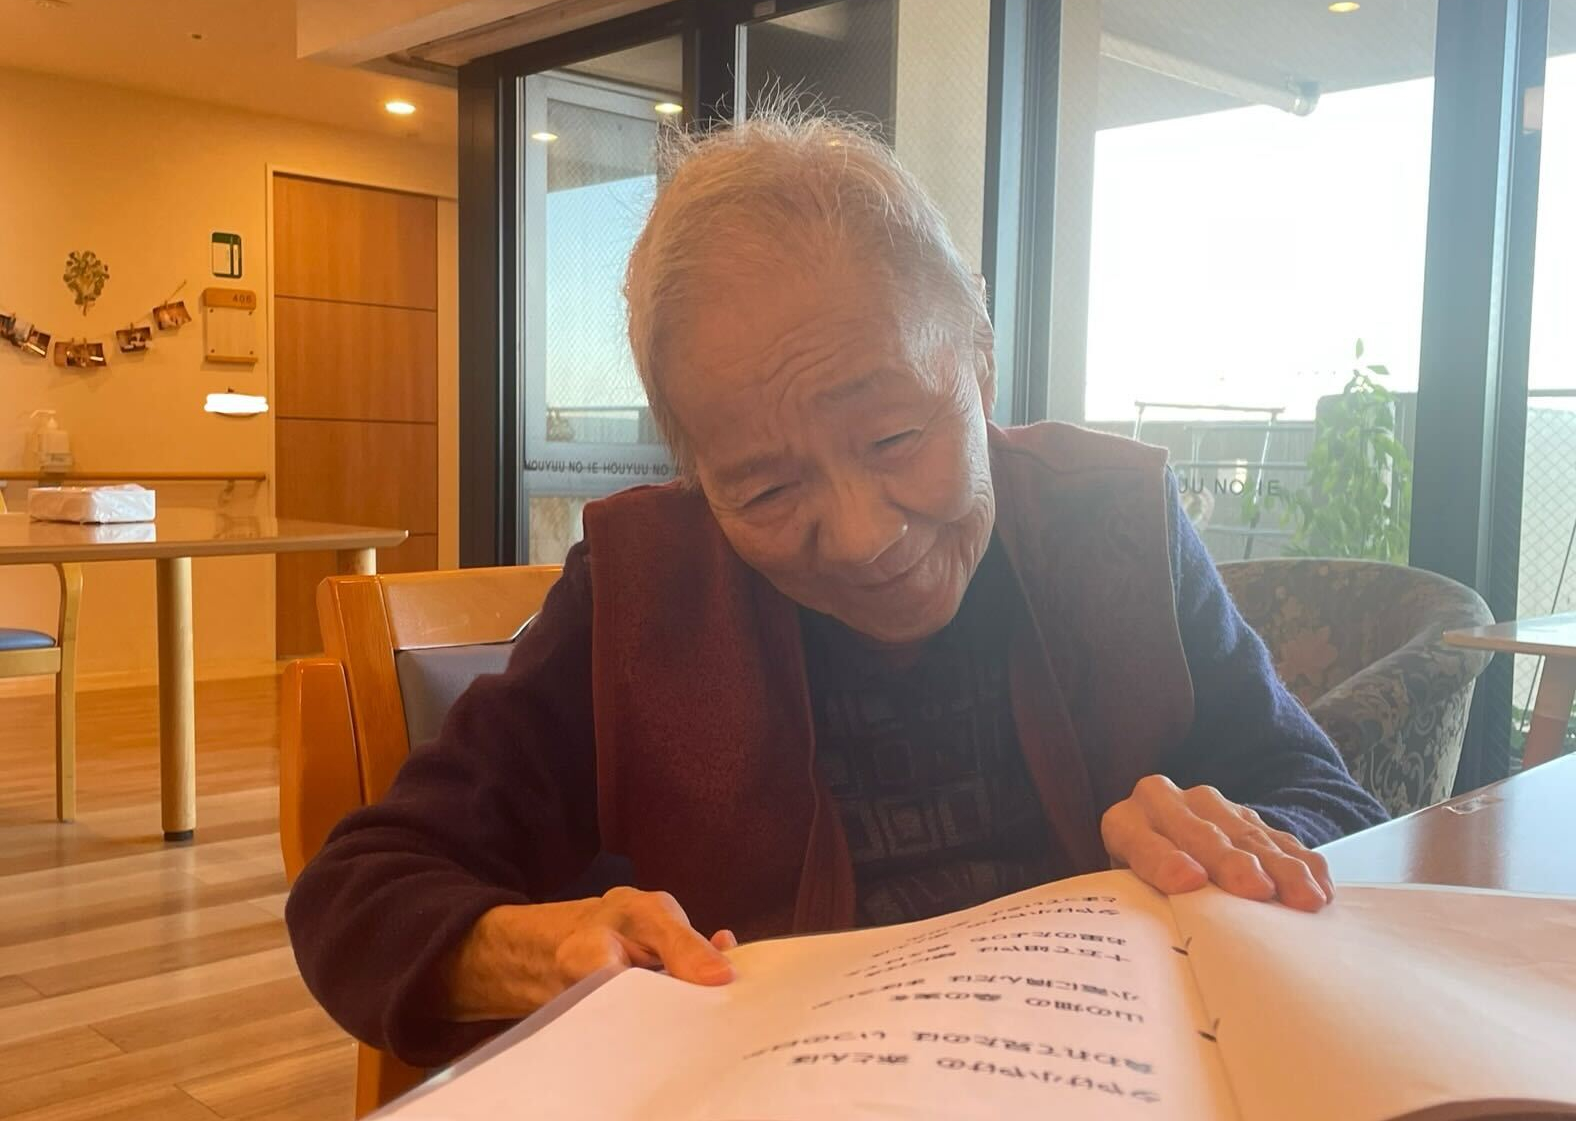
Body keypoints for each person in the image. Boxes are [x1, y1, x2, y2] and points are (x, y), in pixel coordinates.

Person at [287, 112, 1385, 1068]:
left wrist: (1238, 836)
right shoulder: (641, 592)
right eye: (765, 490)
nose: (862, 539)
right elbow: (358, 897)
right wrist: (543, 949)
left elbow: (1332, 804)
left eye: (896, 437)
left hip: (1122, 1090)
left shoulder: (1115, 522)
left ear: (978, 363)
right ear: (695, 476)